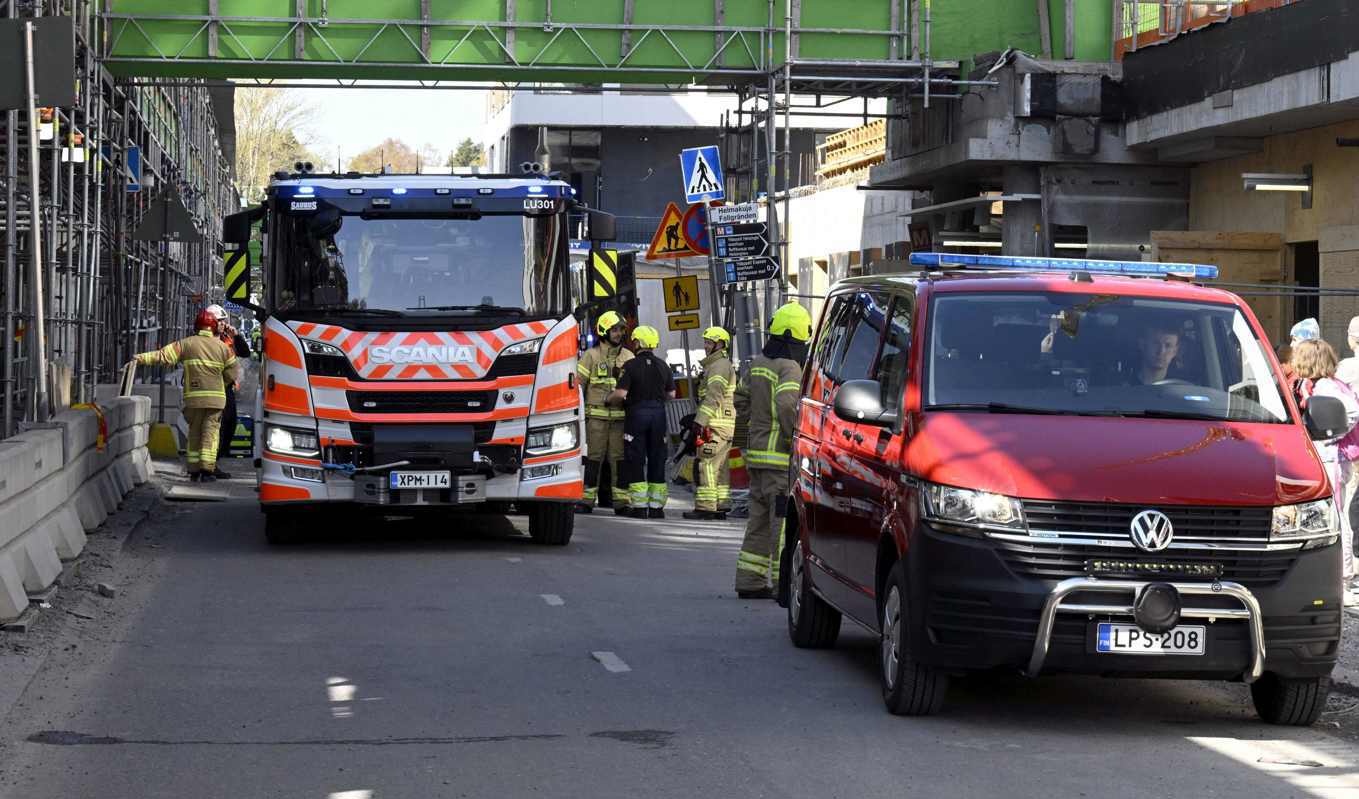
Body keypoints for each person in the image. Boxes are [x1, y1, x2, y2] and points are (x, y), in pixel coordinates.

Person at [733, 302, 811, 599]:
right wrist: (794, 437)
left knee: (758, 520)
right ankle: (782, 586)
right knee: (782, 526)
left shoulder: (758, 364)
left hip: (757, 458)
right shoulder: (789, 367)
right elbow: (789, 405)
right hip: (780, 460)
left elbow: (740, 401)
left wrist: (758, 422)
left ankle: (749, 581)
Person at [129, 307, 240, 482]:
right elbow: (233, 372)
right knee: (210, 434)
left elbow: (162, 356)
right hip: (215, 400)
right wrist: (221, 382)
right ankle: (207, 470)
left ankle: (194, 470)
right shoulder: (222, 347)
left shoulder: (186, 343)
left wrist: (140, 358)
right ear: (212, 327)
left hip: (193, 399)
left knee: (194, 432)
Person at [1290, 339, 1359, 604]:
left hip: (1332, 459)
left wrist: (1330, 437)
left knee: (1336, 516)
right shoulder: (1316, 385)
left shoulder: (1326, 387)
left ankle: (1343, 581)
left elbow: (1352, 410)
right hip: (1329, 458)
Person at [610, 325, 675, 518]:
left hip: (636, 415)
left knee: (636, 459)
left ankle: (639, 507)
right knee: (657, 458)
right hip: (658, 416)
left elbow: (621, 394)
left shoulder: (630, 366)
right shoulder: (664, 365)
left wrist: (608, 399)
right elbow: (671, 394)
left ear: (638, 342)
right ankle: (656, 509)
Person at [576, 310, 634, 514]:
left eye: (620, 330)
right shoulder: (590, 356)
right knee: (593, 459)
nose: (618, 334)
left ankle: (621, 503)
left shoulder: (629, 357)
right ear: (604, 331)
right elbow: (578, 388)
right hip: (596, 422)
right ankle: (586, 500)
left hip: (620, 421)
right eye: (614, 330)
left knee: (619, 461)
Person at [683, 326, 736, 521]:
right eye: (705, 342)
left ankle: (706, 507)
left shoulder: (719, 366)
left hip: (715, 424)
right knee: (719, 468)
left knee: (706, 464)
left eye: (709, 343)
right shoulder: (718, 365)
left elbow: (714, 396)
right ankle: (721, 504)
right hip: (723, 424)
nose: (705, 346)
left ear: (720, 344)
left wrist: (699, 422)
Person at [205, 305, 252, 477]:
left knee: (230, 424)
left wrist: (237, 336)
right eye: (220, 321)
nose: (224, 324)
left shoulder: (227, 338)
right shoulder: (206, 339)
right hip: (213, 387)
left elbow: (245, 353)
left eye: (224, 321)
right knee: (217, 427)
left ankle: (215, 460)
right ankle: (209, 465)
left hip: (227, 388)